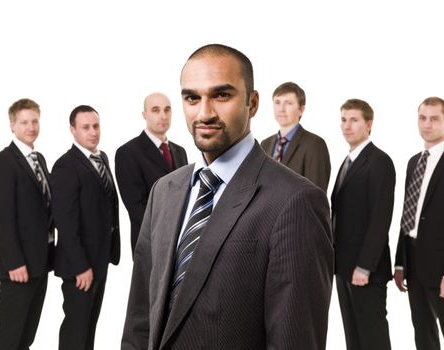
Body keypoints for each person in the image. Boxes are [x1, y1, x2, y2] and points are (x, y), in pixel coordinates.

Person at [121, 44, 333, 349]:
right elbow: (140, 319)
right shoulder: (164, 192)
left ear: (253, 103)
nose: (204, 112)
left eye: (222, 95)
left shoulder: (296, 202)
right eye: (192, 97)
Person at [50, 105, 120, 350]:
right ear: (73, 130)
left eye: (96, 126)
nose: (93, 132)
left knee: (90, 327)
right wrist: (81, 266)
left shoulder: (102, 158)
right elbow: (65, 223)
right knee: (75, 331)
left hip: (100, 259)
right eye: (86, 127)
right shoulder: (65, 166)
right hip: (79, 265)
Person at [0, 98, 54, 350]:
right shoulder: (3, 162)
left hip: (41, 261)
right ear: (12, 126)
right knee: (9, 333)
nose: (31, 127)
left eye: (35, 121)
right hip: (18, 265)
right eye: (24, 122)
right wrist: (15, 261)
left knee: (27, 335)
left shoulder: (40, 159)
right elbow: (3, 219)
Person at [331, 99, 395, 350]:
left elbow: (380, 218)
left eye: (354, 120)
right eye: (343, 120)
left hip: (365, 270)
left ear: (369, 124)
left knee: (373, 337)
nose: (347, 126)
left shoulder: (379, 161)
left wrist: (364, 267)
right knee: (353, 338)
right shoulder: (347, 162)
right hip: (344, 267)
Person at [394, 97, 444, 350]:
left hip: (440, 265)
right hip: (414, 262)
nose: (427, 124)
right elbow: (408, 212)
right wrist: (400, 261)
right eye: (423, 118)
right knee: (423, 335)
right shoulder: (415, 161)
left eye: (435, 118)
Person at [115, 92, 188, 254]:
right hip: (151, 243)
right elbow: (136, 207)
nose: (163, 115)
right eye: (156, 110)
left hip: (180, 243)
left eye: (167, 110)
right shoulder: (128, 152)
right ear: (145, 114)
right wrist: (166, 235)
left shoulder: (179, 151)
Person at [260, 82, 331, 192]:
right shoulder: (265, 144)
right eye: (277, 102)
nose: (281, 109)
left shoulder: (314, 144)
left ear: (301, 109)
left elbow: (316, 195)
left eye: (288, 103)